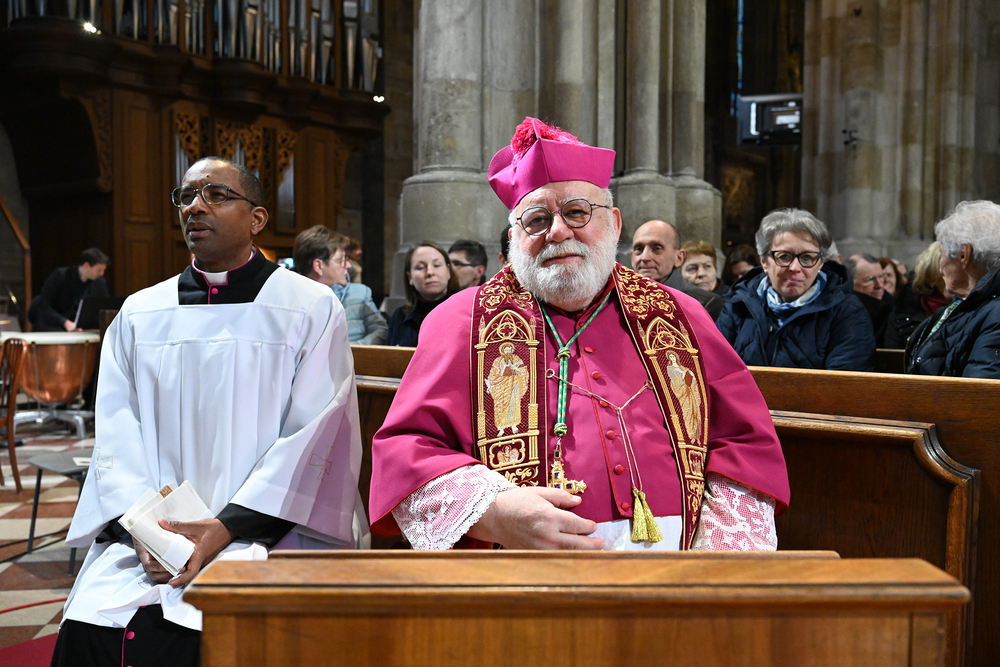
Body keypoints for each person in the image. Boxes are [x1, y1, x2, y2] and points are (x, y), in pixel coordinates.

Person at [369, 117, 788, 553]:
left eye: (576, 212)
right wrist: (495, 512)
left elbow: (743, 442)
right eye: (536, 219)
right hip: (522, 576)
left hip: (678, 573)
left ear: (615, 223)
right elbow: (407, 450)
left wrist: (716, 554)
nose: (557, 231)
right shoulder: (462, 321)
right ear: (513, 238)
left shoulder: (679, 315)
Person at [52, 157, 367, 667]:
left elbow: (314, 430)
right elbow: (117, 431)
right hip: (153, 539)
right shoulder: (140, 313)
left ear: (258, 218)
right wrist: (147, 533)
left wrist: (224, 527)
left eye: (216, 195)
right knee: (89, 628)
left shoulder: (308, 307)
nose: (195, 207)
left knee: (211, 637)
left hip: (267, 528)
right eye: (186, 196)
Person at [716, 208, 876, 371]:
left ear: (820, 263)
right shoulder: (738, 304)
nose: (795, 267)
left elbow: (844, 382)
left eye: (807, 257)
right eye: (784, 256)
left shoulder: (847, 311)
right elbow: (716, 368)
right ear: (764, 261)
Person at [906, 200, 1000, 377]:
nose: (940, 265)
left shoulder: (995, 314)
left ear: (964, 255)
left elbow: (980, 390)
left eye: (941, 253)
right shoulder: (968, 306)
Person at [293, 225, 388, 344]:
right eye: (340, 260)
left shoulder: (360, 293)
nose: (348, 265)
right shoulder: (289, 301)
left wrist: (351, 350)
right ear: (318, 266)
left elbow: (380, 329)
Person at [630, 219, 725, 319]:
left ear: (679, 258)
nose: (644, 257)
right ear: (632, 257)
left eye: (657, 248)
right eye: (639, 249)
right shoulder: (621, 298)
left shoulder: (704, 304)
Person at [385, 241, 458, 346]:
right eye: (420, 267)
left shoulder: (467, 312)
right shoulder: (400, 316)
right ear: (410, 277)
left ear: (448, 271)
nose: (430, 272)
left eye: (437, 265)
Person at [885, 242, 951, 349]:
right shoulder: (903, 313)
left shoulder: (969, 308)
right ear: (932, 276)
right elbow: (893, 355)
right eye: (947, 274)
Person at [28, 247, 110, 331]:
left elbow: (103, 308)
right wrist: (64, 322)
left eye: (103, 270)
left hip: (80, 330)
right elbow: (43, 305)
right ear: (86, 265)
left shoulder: (99, 282)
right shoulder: (61, 276)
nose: (102, 274)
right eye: (99, 270)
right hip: (53, 326)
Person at [847, 253, 893, 346]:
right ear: (851, 282)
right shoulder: (842, 313)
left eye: (881, 277)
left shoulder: (893, 310)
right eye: (870, 279)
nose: (879, 285)